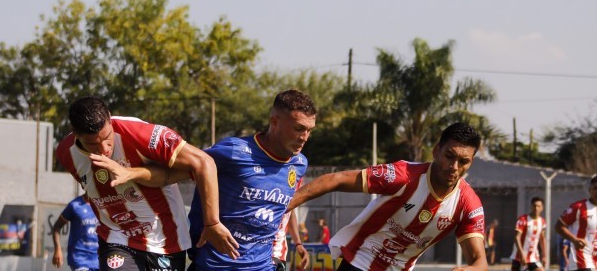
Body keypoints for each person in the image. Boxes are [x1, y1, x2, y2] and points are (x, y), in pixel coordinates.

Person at [56, 96, 238, 271]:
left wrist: (212, 223)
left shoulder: (141, 133)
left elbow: (203, 163)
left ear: (109, 118)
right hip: (116, 237)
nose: (104, 149)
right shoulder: (66, 153)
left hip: (165, 239)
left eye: (107, 137)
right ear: (76, 134)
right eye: (93, 144)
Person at [286, 122, 487, 271]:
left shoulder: (467, 204)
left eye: (463, 161)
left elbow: (480, 262)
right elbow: (336, 179)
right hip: (359, 262)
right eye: (449, 156)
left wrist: (471, 269)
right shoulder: (402, 175)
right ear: (436, 151)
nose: (454, 167)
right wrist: (283, 206)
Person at [186, 89, 317, 270]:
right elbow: (180, 168)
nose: (304, 137)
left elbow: (286, 208)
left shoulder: (299, 164)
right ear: (275, 121)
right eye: (298, 128)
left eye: (309, 130)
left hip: (262, 265)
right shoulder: (234, 150)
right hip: (213, 264)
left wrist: (298, 242)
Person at [555, 175, 597, 271]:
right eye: (595, 188)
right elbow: (558, 226)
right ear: (590, 190)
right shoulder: (578, 207)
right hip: (582, 259)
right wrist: (574, 240)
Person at [52, 194, 99, 271]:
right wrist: (58, 249)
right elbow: (57, 227)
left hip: (99, 258)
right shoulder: (75, 205)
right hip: (80, 259)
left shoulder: (104, 206)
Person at [510, 197, 547, 271]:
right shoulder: (522, 219)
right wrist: (521, 254)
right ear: (531, 206)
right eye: (534, 206)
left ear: (542, 208)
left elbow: (542, 239)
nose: (536, 208)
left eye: (538, 206)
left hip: (533, 257)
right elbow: (517, 237)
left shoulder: (542, 222)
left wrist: (544, 256)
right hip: (519, 256)